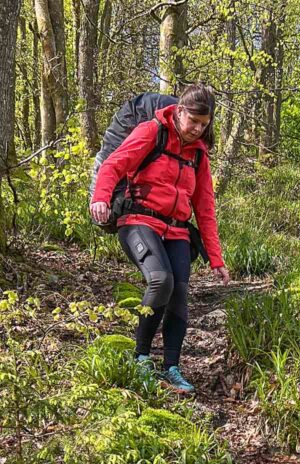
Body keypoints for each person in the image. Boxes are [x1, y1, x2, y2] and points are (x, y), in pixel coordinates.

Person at [90, 83, 230, 396]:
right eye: (193, 121)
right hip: (138, 220)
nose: (197, 129)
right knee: (161, 280)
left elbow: (205, 208)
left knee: (179, 293)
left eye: (203, 125)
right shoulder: (152, 131)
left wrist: (216, 258)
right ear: (179, 112)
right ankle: (140, 358)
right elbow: (114, 164)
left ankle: (172, 368)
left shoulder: (199, 156)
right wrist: (100, 198)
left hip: (177, 229)